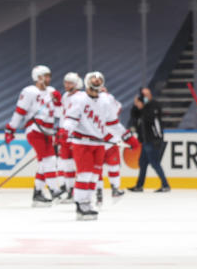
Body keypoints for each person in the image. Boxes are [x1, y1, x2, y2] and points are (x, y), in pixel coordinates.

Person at [58, 71, 139, 220]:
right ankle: (80, 204)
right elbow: (71, 118)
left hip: (99, 143)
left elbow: (113, 123)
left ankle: (87, 203)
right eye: (94, 79)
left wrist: (127, 137)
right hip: (82, 143)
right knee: (85, 174)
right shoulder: (79, 99)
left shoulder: (105, 101)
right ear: (88, 81)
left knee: (94, 176)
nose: (96, 81)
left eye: (99, 79)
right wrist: (64, 131)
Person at [5, 65, 63, 206]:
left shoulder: (51, 91)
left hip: (48, 132)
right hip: (35, 130)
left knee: (45, 163)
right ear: (38, 77)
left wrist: (58, 102)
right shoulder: (29, 91)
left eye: (49, 75)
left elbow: (58, 114)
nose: (49, 78)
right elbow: (20, 111)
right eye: (46, 76)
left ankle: (38, 193)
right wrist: (11, 129)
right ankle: (54, 189)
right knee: (49, 159)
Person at [127, 87, 170, 192]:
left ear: (150, 94)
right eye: (143, 95)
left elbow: (150, 118)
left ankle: (165, 185)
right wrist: (135, 105)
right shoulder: (143, 106)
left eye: (147, 94)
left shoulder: (155, 105)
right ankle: (139, 186)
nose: (146, 96)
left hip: (154, 139)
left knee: (155, 163)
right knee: (143, 163)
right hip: (146, 140)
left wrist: (142, 107)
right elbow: (134, 116)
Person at [56, 72, 83, 203]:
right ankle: (69, 191)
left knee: (76, 165)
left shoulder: (81, 97)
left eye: (70, 83)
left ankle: (78, 192)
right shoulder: (65, 96)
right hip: (65, 135)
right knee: (66, 164)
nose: (67, 85)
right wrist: (60, 131)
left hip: (75, 136)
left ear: (77, 84)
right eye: (66, 82)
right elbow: (61, 115)